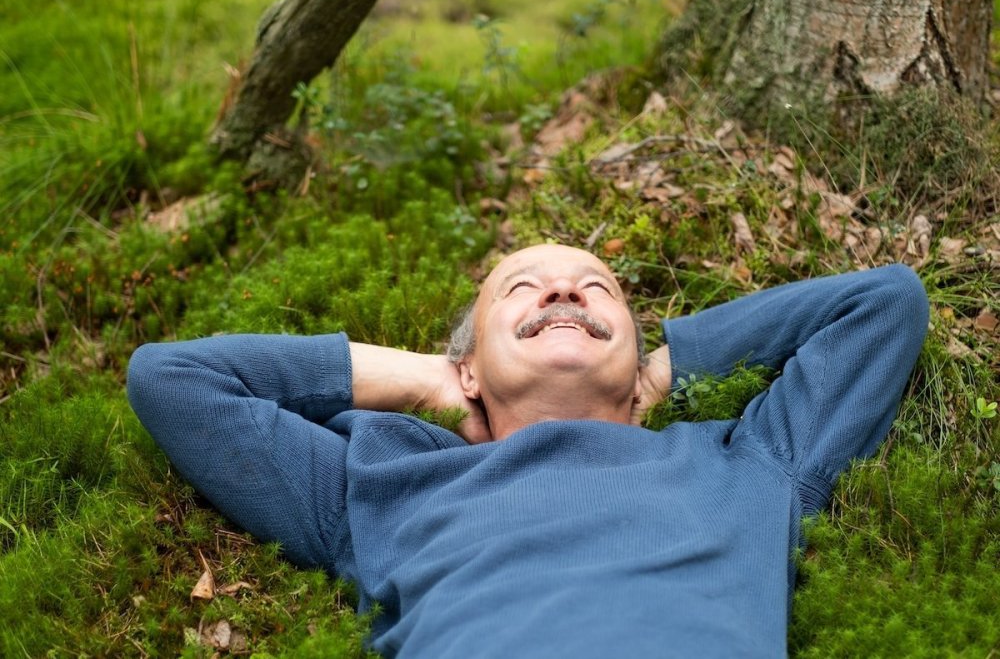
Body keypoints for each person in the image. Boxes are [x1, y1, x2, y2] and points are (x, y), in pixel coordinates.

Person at [127, 244, 928, 658]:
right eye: (522, 290)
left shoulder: (748, 462)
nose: (563, 291)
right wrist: (428, 380)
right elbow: (172, 379)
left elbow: (885, 302)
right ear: (469, 366)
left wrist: (663, 371)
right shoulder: (385, 480)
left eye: (596, 288)